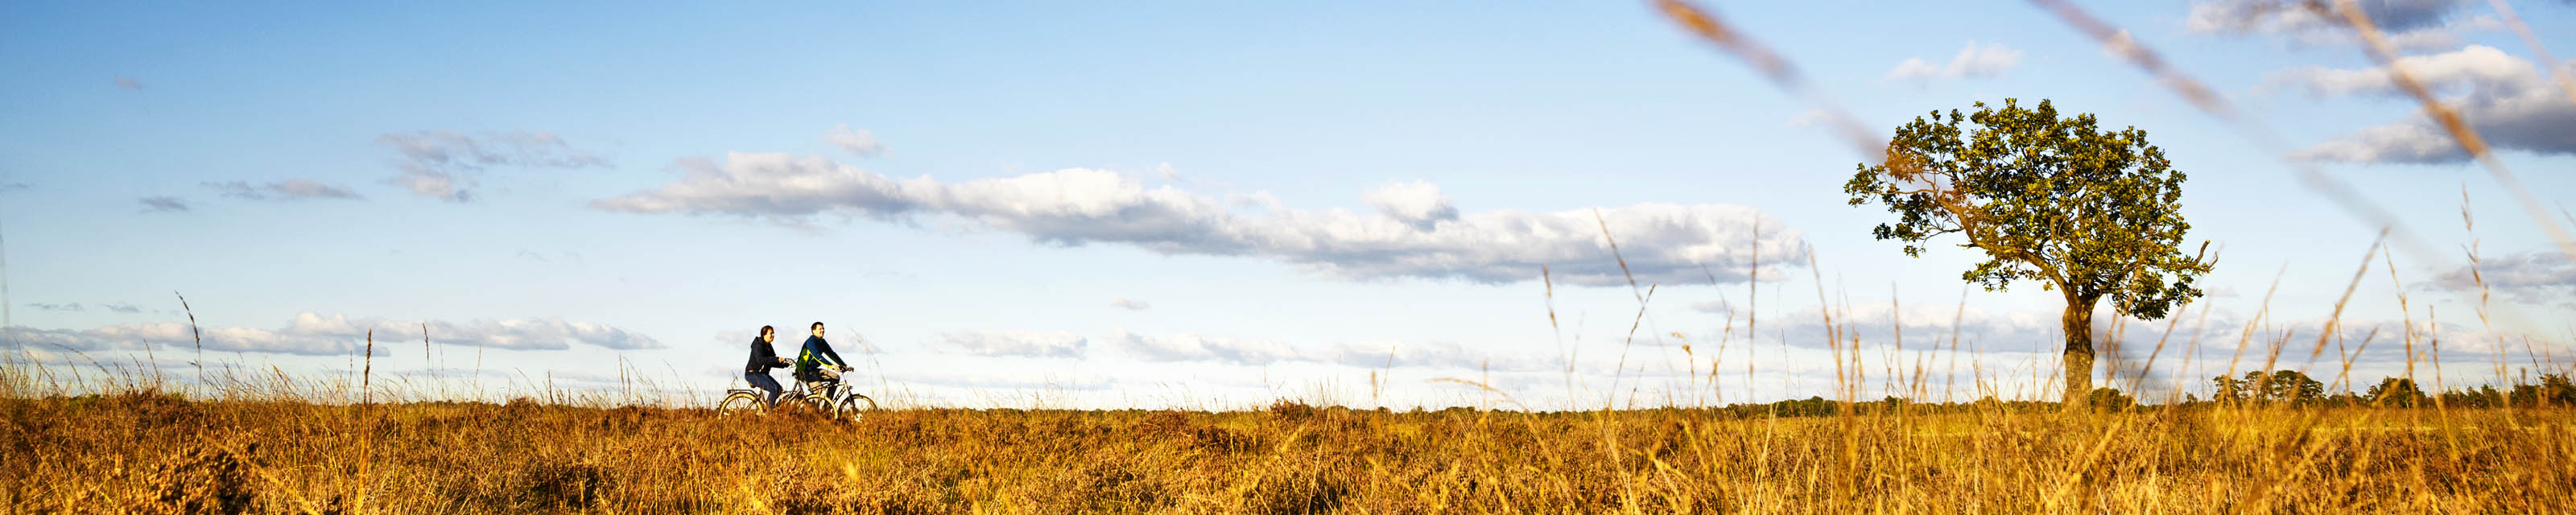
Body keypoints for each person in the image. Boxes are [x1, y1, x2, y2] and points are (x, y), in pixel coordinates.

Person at [795, 321, 852, 389]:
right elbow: (817, 356)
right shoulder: (811, 341)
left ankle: (828, 400)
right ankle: (818, 399)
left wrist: (844, 365)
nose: (823, 330)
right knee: (820, 391)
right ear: (814, 331)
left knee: (836, 377)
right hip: (804, 371)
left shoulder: (822, 342)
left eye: (823, 329)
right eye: (820, 329)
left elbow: (832, 354)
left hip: (814, 370)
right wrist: (831, 365)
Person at [741, 325, 791, 406]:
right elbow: (761, 360)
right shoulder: (758, 345)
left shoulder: (769, 346)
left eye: (773, 333)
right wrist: (776, 359)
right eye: (771, 333)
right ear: (764, 335)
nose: (773, 335)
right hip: (753, 373)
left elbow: (771, 361)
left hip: (762, 374)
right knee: (774, 389)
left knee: (778, 389)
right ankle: (769, 414)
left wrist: (783, 365)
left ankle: (766, 410)